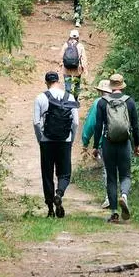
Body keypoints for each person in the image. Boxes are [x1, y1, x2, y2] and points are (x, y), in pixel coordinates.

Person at [93, 72, 139, 223]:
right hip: (124, 143)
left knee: (112, 177)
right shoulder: (129, 102)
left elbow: (98, 126)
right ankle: (124, 196)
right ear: (122, 86)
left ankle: (114, 213)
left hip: (108, 143)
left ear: (111, 86)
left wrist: (95, 146)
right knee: (126, 175)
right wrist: (137, 145)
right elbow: (135, 126)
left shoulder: (102, 102)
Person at [33, 70, 79, 218]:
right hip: (64, 141)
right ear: (58, 81)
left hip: (47, 141)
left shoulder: (40, 98)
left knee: (47, 174)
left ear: (46, 82)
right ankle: (59, 193)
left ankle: (50, 209)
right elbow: (76, 122)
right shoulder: (69, 97)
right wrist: (71, 138)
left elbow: (36, 122)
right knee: (64, 173)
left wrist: (41, 139)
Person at [82, 78, 113, 208]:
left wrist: (85, 141)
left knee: (107, 169)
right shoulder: (121, 100)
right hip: (121, 140)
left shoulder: (98, 103)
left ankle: (110, 198)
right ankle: (123, 195)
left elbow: (91, 124)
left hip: (104, 141)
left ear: (100, 91)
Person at [61, 27, 87, 100]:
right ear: (78, 37)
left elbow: (61, 56)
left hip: (66, 69)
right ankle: (75, 100)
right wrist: (84, 69)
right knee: (77, 85)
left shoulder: (65, 45)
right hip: (77, 69)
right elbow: (84, 58)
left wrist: (61, 64)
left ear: (70, 36)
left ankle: (67, 100)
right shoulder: (80, 46)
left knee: (67, 86)